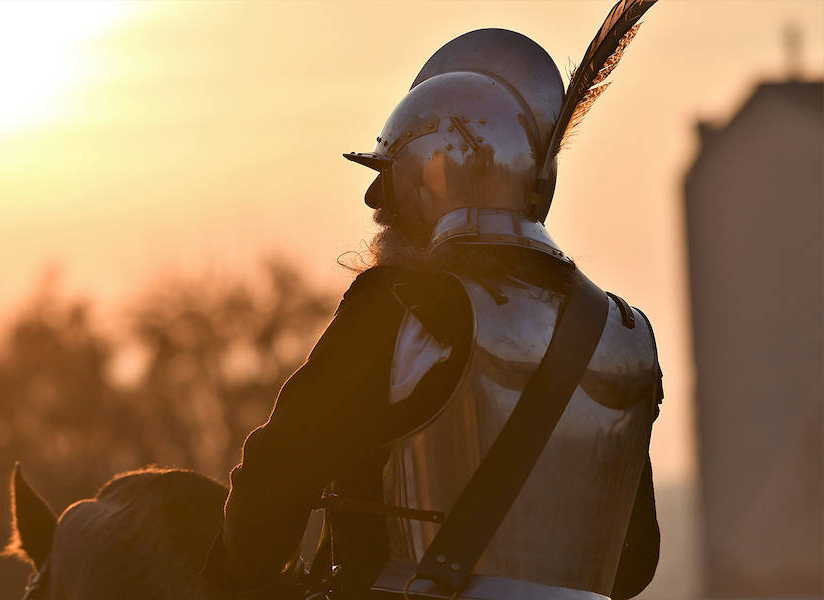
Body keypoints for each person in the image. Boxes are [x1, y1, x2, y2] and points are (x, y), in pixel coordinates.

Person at [203, 4, 662, 599]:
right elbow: (634, 565)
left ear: (436, 174)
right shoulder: (624, 334)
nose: (375, 201)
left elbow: (273, 486)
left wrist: (233, 580)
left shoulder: (397, 306)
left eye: (390, 175)